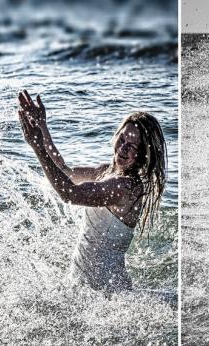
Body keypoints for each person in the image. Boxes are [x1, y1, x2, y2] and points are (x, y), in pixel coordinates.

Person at [18, 90, 170, 296]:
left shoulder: (126, 188)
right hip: (82, 284)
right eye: (122, 139)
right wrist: (42, 127)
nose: (123, 149)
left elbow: (69, 193)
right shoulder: (106, 171)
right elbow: (65, 171)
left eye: (132, 146)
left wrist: (38, 147)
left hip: (107, 293)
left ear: (143, 155)